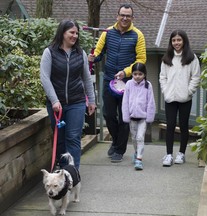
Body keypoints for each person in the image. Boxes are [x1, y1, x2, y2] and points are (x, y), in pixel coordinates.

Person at [88, 3, 146, 163]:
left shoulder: (137, 35)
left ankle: (119, 150)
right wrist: (93, 57)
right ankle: (116, 141)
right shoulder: (107, 33)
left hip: (128, 83)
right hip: (109, 81)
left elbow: (141, 59)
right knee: (108, 113)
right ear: (117, 16)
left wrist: (126, 72)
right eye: (122, 15)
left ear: (132, 18)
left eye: (128, 15)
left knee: (124, 117)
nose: (125, 18)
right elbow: (98, 53)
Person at [40, 19, 96, 170]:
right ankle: (61, 173)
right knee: (60, 139)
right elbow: (45, 78)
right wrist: (54, 100)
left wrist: (91, 100)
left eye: (77, 33)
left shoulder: (80, 53)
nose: (75, 36)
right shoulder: (50, 52)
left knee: (73, 137)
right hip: (56, 104)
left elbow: (86, 77)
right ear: (62, 33)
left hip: (76, 102)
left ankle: (72, 173)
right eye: (71, 32)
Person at [159, 30, 201, 167]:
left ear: (184, 41)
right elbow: (162, 77)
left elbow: (196, 77)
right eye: (174, 40)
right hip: (170, 98)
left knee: (183, 126)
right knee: (170, 125)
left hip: (185, 98)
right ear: (171, 42)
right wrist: (165, 91)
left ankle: (181, 153)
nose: (176, 43)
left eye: (179, 40)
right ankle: (169, 154)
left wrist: (189, 92)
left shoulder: (192, 58)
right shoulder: (167, 58)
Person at [122, 63, 155, 170]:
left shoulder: (148, 85)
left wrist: (149, 117)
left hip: (143, 118)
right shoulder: (128, 85)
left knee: (140, 137)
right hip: (132, 117)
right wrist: (126, 115)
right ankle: (136, 153)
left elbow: (151, 102)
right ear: (132, 74)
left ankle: (139, 159)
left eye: (140, 74)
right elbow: (125, 101)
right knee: (134, 138)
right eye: (135, 74)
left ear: (144, 74)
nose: (137, 76)